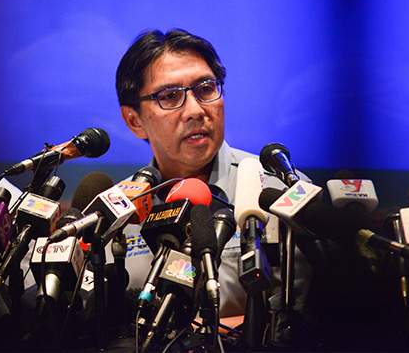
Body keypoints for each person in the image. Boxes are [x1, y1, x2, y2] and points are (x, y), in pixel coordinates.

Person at [115, 28, 312, 320]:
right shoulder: (117, 212)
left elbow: (297, 317)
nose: (195, 110)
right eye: (169, 96)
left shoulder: (279, 190)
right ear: (134, 121)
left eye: (206, 88)